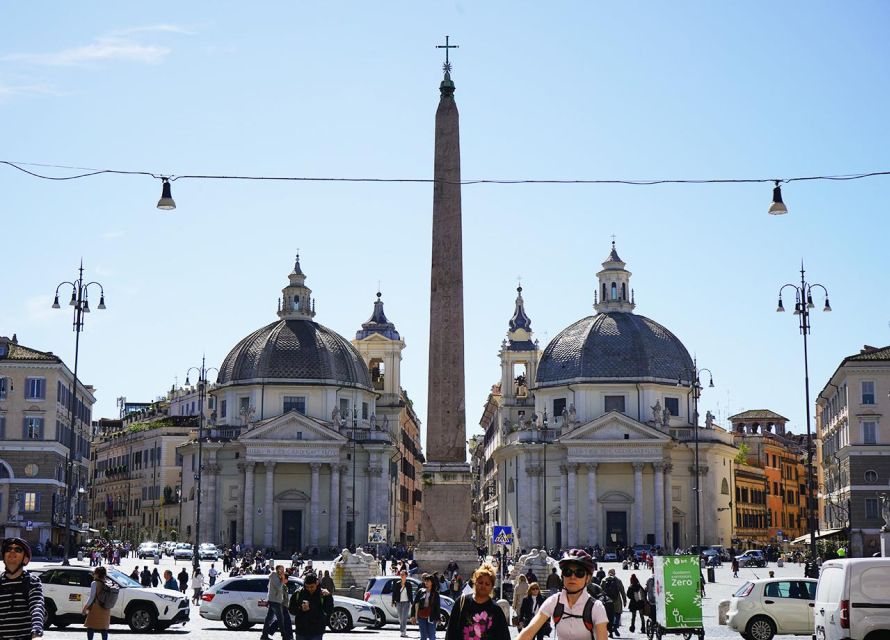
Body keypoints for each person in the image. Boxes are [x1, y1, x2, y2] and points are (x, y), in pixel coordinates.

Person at [516, 549, 608, 640]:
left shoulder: (596, 607)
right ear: (562, 576)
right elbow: (528, 633)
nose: (572, 577)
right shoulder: (553, 602)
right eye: (567, 572)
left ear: (588, 578)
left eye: (579, 573)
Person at [445, 563, 510, 640]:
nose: (483, 586)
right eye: (480, 582)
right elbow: (450, 632)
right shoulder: (461, 602)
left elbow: (504, 637)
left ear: (492, 587)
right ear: (475, 582)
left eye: (487, 584)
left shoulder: (496, 610)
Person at [0, 537, 45, 640]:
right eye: (8, 549)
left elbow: (37, 607)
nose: (12, 551)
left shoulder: (32, 582)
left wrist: (37, 634)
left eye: (18, 550)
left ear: (25, 559)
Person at [290, 573, 333, 640]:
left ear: (317, 583)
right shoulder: (298, 593)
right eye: (307, 587)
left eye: (312, 587)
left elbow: (329, 610)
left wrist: (329, 597)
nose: (309, 589)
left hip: (317, 631)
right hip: (301, 631)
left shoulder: (323, 594)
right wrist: (301, 609)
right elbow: (291, 609)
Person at [261, 565, 292, 640]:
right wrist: (282, 579)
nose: (283, 571)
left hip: (275, 599)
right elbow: (278, 587)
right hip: (275, 600)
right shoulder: (274, 575)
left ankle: (264, 635)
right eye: (282, 569)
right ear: (278, 569)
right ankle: (284, 636)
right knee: (281, 619)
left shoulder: (277, 576)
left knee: (269, 618)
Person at [82, 566, 111, 640]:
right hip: (106, 608)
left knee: (90, 626)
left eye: (94, 573)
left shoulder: (94, 583)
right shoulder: (107, 582)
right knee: (104, 628)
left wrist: (85, 608)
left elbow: (92, 597)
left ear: (98, 574)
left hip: (96, 607)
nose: (93, 574)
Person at [409, 573, 441, 640]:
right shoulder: (421, 591)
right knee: (423, 637)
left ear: (432, 582)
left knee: (432, 636)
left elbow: (437, 607)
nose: (426, 582)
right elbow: (415, 604)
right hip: (421, 616)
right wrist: (412, 616)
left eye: (428, 581)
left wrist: (438, 618)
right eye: (425, 581)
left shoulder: (436, 593)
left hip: (431, 617)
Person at [600, 568, 627, 637]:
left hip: (607, 601)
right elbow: (622, 591)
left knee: (608, 616)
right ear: (614, 573)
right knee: (617, 614)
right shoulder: (618, 580)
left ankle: (610, 632)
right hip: (617, 601)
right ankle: (615, 627)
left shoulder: (604, 580)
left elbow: (600, 591)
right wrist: (624, 600)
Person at [392, 569, 414, 638]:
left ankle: (402, 631)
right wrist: (393, 601)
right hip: (398, 602)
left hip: (406, 602)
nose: (401, 576)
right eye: (401, 574)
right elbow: (394, 593)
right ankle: (403, 630)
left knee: (404, 618)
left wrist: (412, 602)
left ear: (406, 575)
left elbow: (410, 594)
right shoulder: (398, 583)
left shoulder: (408, 584)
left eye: (403, 574)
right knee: (400, 618)